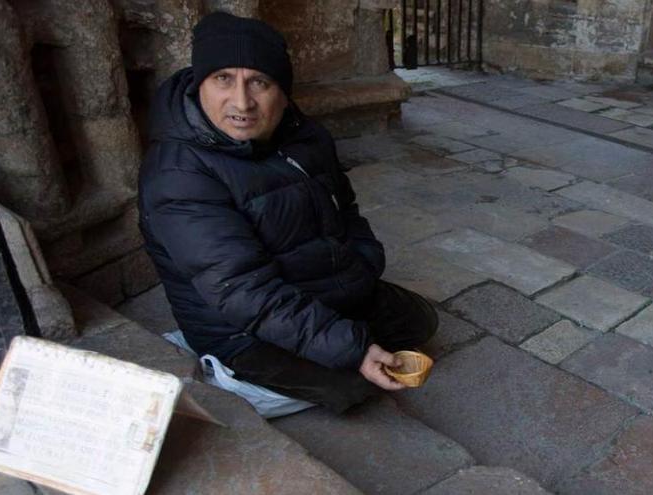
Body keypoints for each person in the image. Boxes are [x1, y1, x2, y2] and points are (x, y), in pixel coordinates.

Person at [138, 12, 438, 413]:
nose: (242, 102)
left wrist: (362, 267)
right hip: (239, 324)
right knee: (350, 388)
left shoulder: (305, 136)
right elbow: (245, 291)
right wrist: (353, 349)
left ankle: (337, 335)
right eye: (223, 79)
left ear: (282, 90)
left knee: (420, 322)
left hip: (314, 289)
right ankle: (224, 371)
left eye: (259, 82)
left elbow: (345, 209)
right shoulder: (177, 173)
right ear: (200, 84)